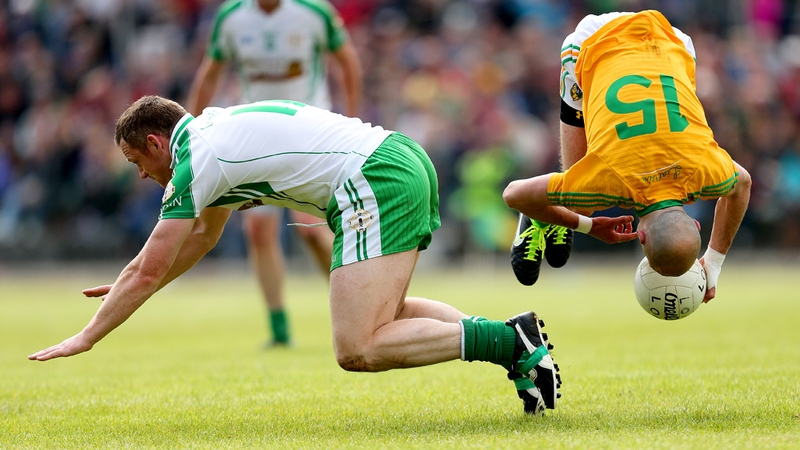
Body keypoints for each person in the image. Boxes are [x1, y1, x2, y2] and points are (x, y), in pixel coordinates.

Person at [29, 96, 565, 415]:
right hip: (395, 160)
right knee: (386, 318)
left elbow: (146, 267)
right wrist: (134, 284)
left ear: (154, 141)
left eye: (136, 162)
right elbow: (201, 240)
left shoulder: (196, 160)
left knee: (357, 346)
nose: (142, 175)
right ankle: (516, 347)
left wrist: (89, 334)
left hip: (373, 179)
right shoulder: (213, 135)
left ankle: (510, 342)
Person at [504, 10, 752, 302]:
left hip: (671, 40)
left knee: (578, 198)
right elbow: (514, 194)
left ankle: (553, 211)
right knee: (577, 206)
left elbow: (743, 183)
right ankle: (539, 218)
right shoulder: (607, 183)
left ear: (695, 223)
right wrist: (586, 225)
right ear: (641, 237)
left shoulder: (707, 171)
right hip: (592, 41)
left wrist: (712, 262)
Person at [185, 0, 363, 347]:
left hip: (311, 133)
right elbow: (209, 75)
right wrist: (192, 137)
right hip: (257, 137)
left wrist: (353, 119)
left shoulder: (314, 12)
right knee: (258, 230)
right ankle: (280, 330)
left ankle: (358, 305)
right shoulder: (232, 17)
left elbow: (348, 63)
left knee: (310, 230)